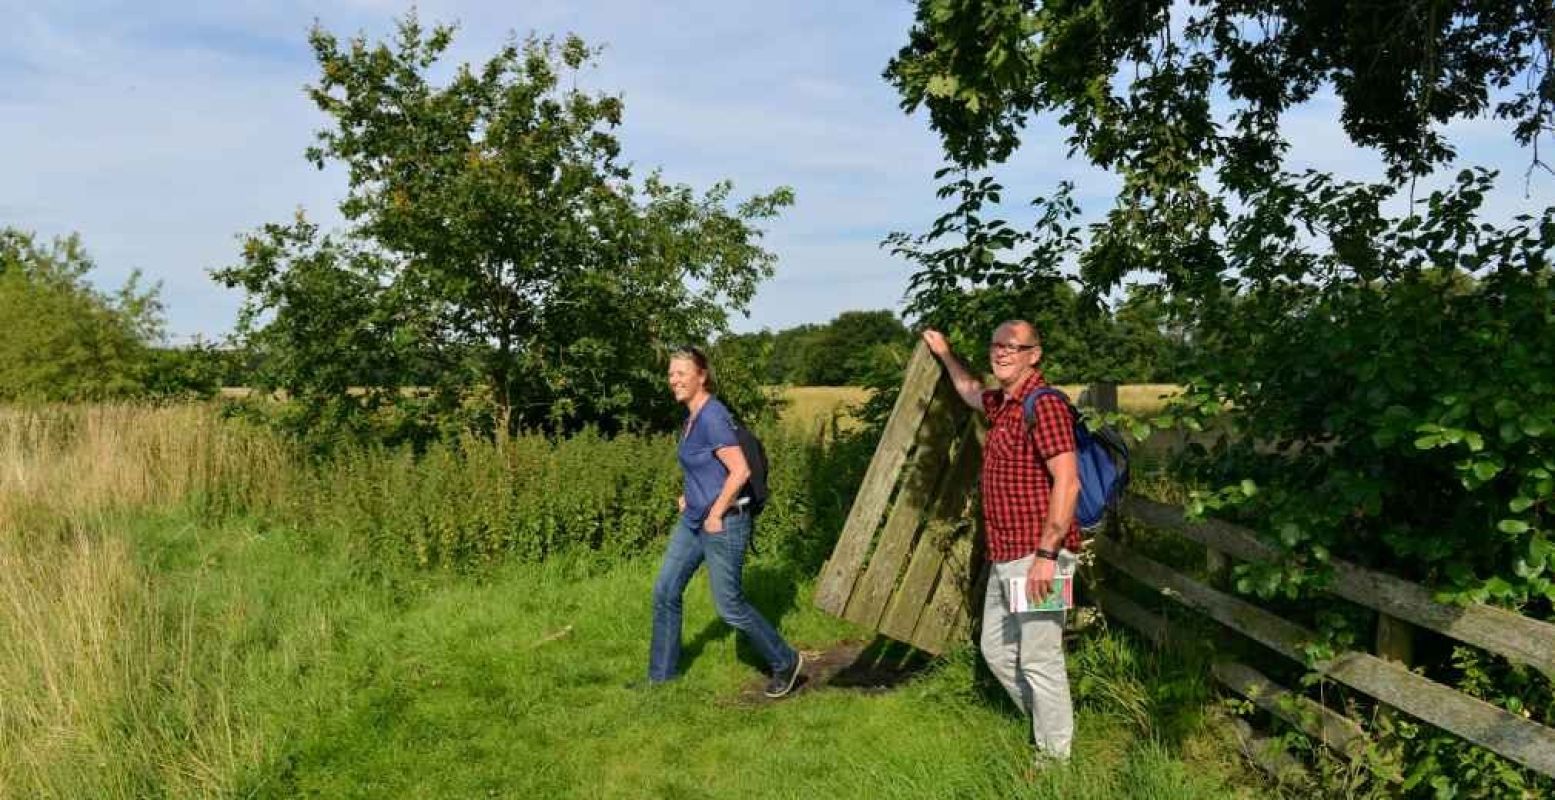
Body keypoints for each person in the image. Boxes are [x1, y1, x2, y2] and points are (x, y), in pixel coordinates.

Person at [921, 322, 1082, 762]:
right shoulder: (1005, 403)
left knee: (1040, 659)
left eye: (1014, 347)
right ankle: (1045, 727)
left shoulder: (1043, 405)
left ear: (1035, 354)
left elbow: (1067, 483)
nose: (1002, 352)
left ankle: (1053, 763)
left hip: (1041, 556)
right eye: (996, 345)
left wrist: (1047, 557)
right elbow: (972, 391)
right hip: (1007, 555)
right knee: (994, 648)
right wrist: (945, 354)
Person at [647, 346, 804, 697]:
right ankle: (661, 678)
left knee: (730, 605)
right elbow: (704, 466)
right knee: (665, 590)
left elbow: (740, 470)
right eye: (671, 374)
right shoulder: (691, 418)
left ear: (701, 376)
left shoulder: (713, 415)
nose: (674, 380)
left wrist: (716, 512)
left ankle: (786, 661)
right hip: (693, 520)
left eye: (681, 373)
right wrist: (691, 495)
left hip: (724, 523)